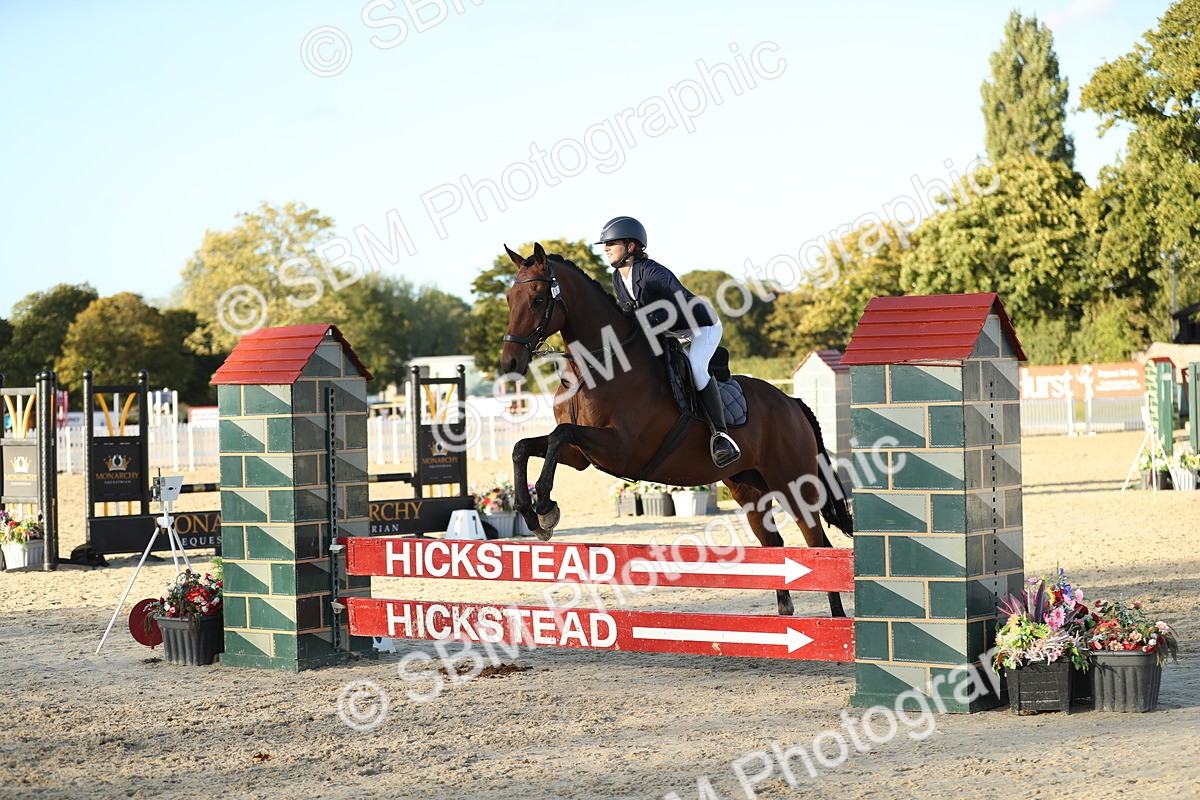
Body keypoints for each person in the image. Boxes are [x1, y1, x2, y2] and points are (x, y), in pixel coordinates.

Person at [596, 215, 741, 468]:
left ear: (631, 246)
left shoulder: (652, 273)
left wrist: (650, 318)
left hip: (700, 326)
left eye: (612, 243)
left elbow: (683, 300)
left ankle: (721, 435)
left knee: (696, 368)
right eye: (605, 244)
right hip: (670, 332)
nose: (606, 248)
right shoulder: (619, 278)